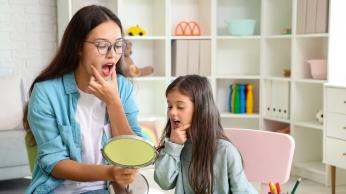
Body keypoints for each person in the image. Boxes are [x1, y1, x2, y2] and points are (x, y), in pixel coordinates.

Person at [24, 5, 142, 194]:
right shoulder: (46, 93)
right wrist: (110, 172)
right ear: (78, 47)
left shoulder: (123, 88)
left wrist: (114, 103)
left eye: (118, 45)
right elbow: (54, 162)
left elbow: (134, 154)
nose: (112, 54)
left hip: (110, 188)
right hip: (60, 189)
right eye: (102, 45)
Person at [154, 75, 257, 194]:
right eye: (169, 106)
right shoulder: (176, 147)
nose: (172, 112)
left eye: (180, 107)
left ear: (200, 108)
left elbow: (242, 191)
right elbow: (164, 183)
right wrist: (173, 146)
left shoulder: (226, 151)